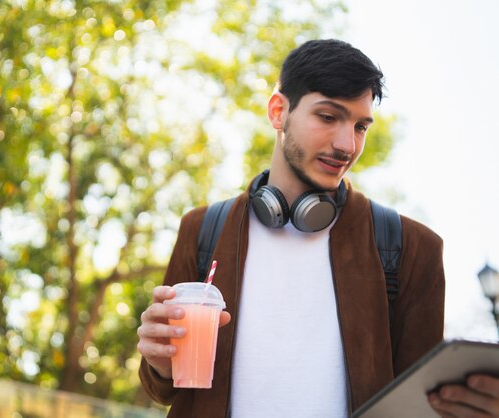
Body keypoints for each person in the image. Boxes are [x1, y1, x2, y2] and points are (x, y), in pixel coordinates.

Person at [136, 39, 499, 417]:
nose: (347, 144)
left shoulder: (412, 247)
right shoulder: (203, 230)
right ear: (279, 111)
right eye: (328, 117)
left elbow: (422, 407)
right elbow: (162, 386)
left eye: (360, 126)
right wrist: (160, 362)